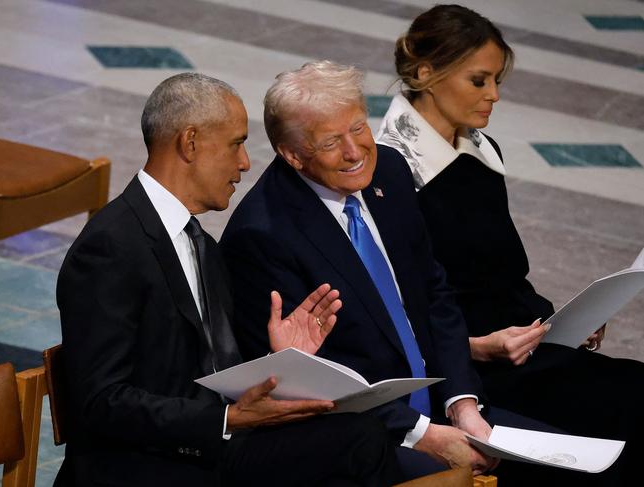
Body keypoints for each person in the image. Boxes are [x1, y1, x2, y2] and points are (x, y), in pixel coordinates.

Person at [219, 61, 598, 486]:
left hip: (444, 402)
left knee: (580, 469)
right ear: (292, 154)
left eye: (359, 128)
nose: (355, 151)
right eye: (330, 142)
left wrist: (463, 404)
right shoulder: (261, 236)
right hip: (371, 433)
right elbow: (307, 379)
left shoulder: (390, 171)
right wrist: (424, 434)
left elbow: (433, 294)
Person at [56, 73, 400, 487]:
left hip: (213, 449)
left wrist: (283, 363)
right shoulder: (110, 247)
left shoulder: (201, 243)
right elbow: (99, 402)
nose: (245, 162)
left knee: (359, 436)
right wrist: (224, 419)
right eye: (237, 143)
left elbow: (207, 366)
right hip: (147, 464)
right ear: (190, 143)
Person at [376, 5, 644, 485]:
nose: (494, 96)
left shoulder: (483, 150)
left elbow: (498, 272)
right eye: (479, 81)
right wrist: (477, 349)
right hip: (471, 372)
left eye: (497, 80)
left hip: (525, 346)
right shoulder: (390, 172)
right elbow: (398, 305)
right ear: (425, 72)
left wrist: (563, 320)